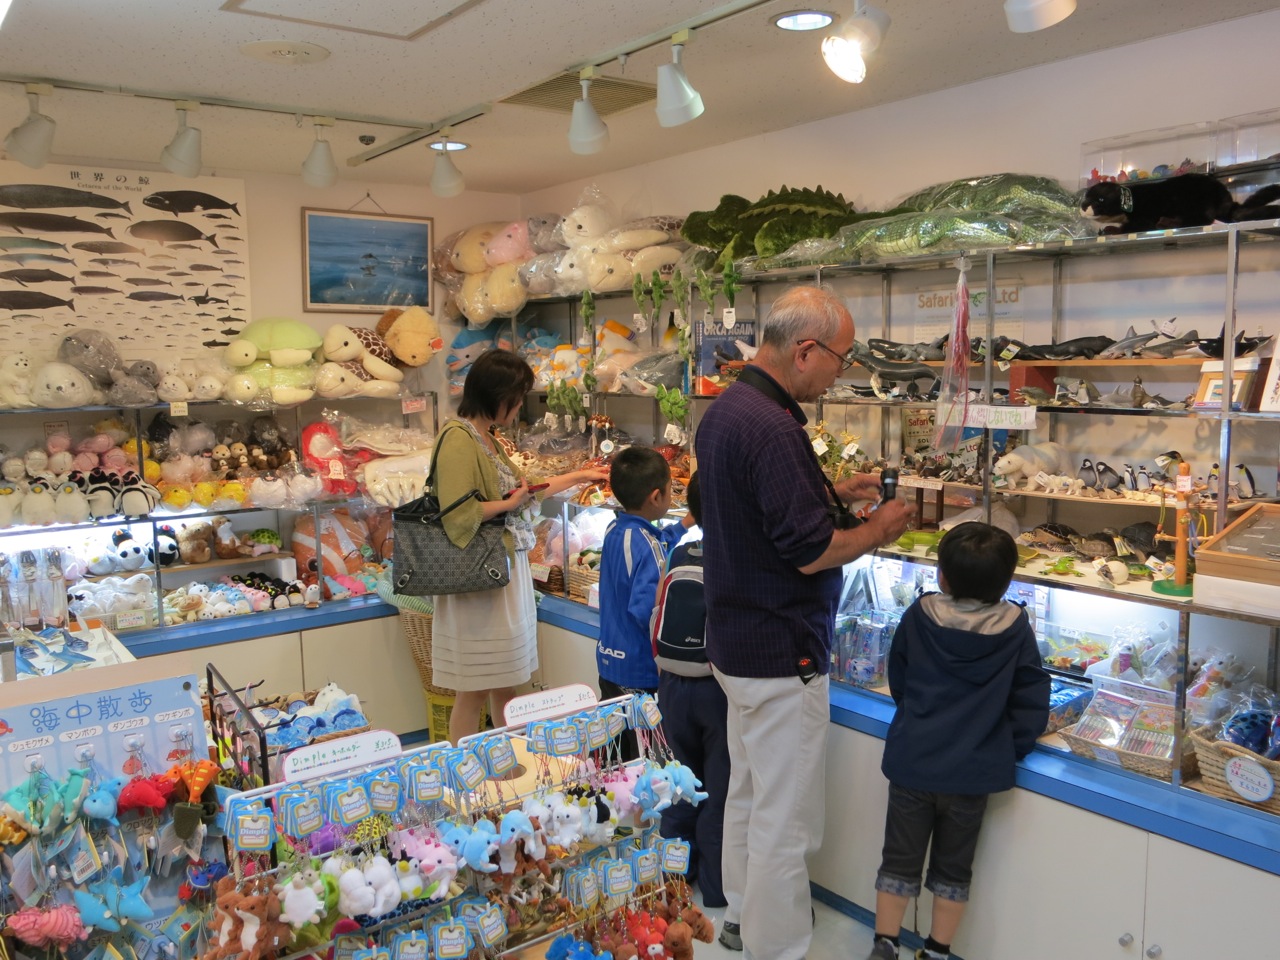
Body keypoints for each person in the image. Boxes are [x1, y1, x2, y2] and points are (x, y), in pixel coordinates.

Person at [696, 285, 915, 960]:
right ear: (804, 349)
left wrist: (828, 492)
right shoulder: (775, 427)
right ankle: (778, 947)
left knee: (748, 794)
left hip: (734, 643)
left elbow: (755, 509)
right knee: (786, 822)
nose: (839, 373)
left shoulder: (730, 407)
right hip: (779, 649)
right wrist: (879, 526)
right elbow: (812, 549)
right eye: (840, 360)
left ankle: (738, 918)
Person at [867, 522, 1050, 960]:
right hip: (973, 771)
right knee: (954, 870)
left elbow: (900, 674)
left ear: (941, 576)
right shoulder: (1015, 627)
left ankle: (885, 945)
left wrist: (914, 715)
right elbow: (1031, 695)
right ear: (1006, 581)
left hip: (914, 760)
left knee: (898, 859)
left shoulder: (920, 615)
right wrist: (1011, 746)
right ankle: (936, 950)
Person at [431, 349, 607, 743]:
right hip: (478, 579)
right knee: (474, 688)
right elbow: (456, 510)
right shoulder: (458, 439)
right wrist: (508, 504)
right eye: (518, 396)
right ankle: (469, 780)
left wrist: (579, 474)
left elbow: (526, 492)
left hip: (501, 573)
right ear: (498, 394)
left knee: (506, 685)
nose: (519, 406)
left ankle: (510, 771)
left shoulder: (487, 438)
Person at [649, 471, 729, 909]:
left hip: (672, 685)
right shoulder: (740, 558)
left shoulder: (679, 552)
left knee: (678, 786)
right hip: (719, 690)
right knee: (718, 792)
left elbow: (655, 615)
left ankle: (674, 882)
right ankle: (716, 891)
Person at [596, 445, 693, 759]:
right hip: (640, 671)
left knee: (614, 754)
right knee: (646, 759)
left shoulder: (616, 529)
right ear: (657, 497)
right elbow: (646, 610)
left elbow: (652, 543)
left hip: (610, 663)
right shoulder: (647, 545)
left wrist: (683, 526)